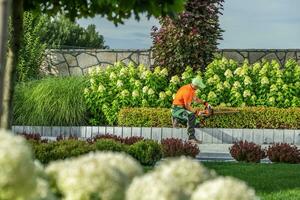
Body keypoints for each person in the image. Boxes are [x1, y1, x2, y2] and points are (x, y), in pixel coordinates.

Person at [171, 76, 209, 144]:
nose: (199, 88)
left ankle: (177, 120)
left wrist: (205, 103)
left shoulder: (191, 89)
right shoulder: (187, 91)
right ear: (195, 85)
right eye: (198, 86)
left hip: (182, 109)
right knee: (191, 116)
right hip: (177, 109)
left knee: (196, 124)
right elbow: (187, 106)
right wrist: (197, 112)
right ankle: (191, 138)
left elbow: (196, 99)